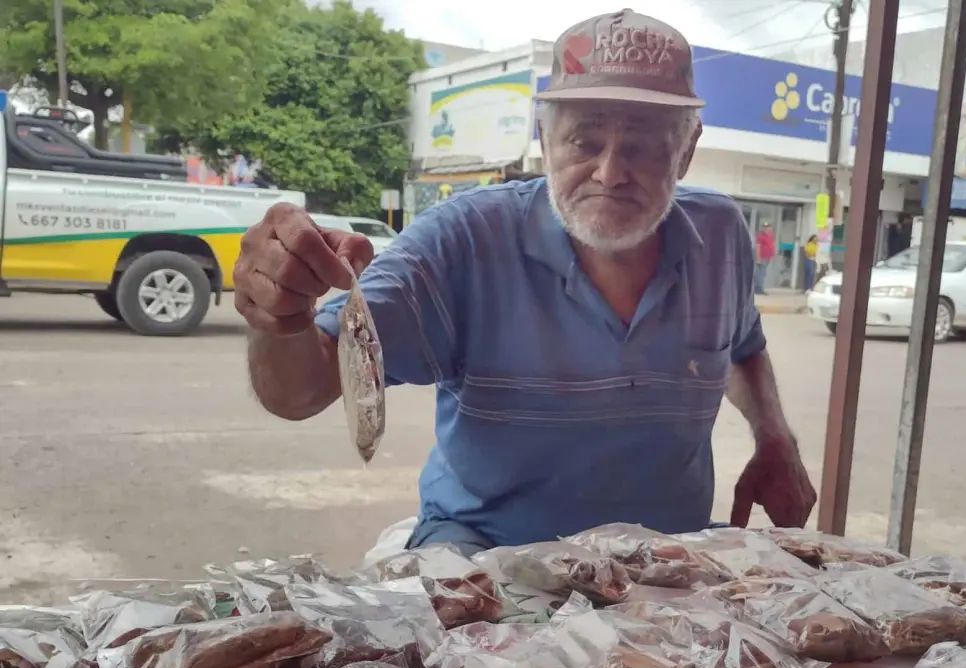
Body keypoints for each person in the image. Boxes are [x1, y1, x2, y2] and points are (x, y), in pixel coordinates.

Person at [233, 9, 817, 557]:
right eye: (586, 142)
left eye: (641, 147)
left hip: (662, 567)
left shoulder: (719, 234)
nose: (610, 173)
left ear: (687, 150)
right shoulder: (462, 239)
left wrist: (775, 438)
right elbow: (300, 390)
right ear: (545, 139)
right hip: (484, 558)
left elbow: (743, 349)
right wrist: (279, 317)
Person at [753, 222, 776, 295]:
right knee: (760, 273)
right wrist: (758, 258)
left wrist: (773, 253)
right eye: (765, 227)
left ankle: (759, 287)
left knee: (763, 273)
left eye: (768, 227)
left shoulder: (771, 236)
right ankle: (758, 288)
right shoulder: (760, 236)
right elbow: (757, 247)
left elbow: (772, 245)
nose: (766, 229)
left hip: (768, 257)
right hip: (762, 257)